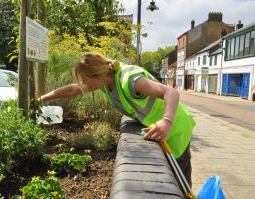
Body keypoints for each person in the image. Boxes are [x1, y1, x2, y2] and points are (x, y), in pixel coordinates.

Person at [39, 52, 195, 186]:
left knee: (180, 182)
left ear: (97, 74)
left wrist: (166, 121)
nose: (83, 85)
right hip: (159, 131)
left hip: (175, 129)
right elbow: (73, 89)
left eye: (85, 80)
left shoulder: (130, 80)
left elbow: (171, 93)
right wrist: (42, 98)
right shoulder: (107, 82)